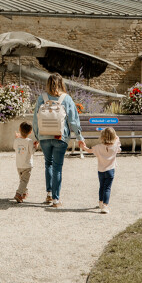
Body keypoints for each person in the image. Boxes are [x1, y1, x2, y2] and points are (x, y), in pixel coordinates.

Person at [32, 73, 85, 208]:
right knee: (57, 167)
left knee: (48, 164)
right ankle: (56, 199)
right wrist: (79, 138)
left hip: (44, 136)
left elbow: (35, 120)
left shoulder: (41, 98)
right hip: (60, 137)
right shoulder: (66, 99)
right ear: (62, 83)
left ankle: (49, 194)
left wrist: (37, 137)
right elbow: (73, 121)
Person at [79, 127, 121, 214]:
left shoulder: (98, 147)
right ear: (114, 137)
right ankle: (105, 206)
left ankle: (100, 202)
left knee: (101, 186)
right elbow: (118, 142)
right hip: (110, 170)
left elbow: (89, 150)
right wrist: (115, 136)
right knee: (107, 188)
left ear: (102, 137)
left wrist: (84, 147)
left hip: (101, 170)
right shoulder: (115, 146)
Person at [13, 121, 36, 203]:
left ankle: (24, 193)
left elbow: (15, 148)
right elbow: (32, 152)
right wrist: (35, 146)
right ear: (30, 132)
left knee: (22, 180)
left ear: (19, 129)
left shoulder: (16, 141)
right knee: (24, 180)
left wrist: (17, 138)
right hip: (27, 165)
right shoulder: (29, 141)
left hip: (19, 165)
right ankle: (18, 194)